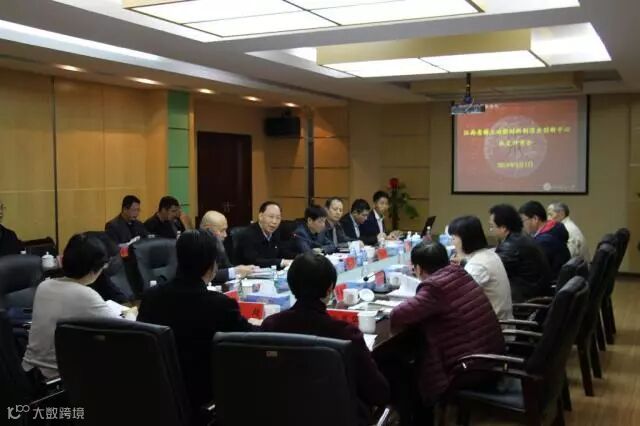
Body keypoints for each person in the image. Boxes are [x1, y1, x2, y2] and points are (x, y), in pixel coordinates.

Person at [262, 253, 390, 425]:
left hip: (285, 415)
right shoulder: (345, 333)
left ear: (291, 286)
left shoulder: (270, 325)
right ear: (330, 288)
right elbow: (378, 392)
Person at [138, 230, 252, 415]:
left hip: (159, 393)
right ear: (212, 266)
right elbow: (250, 342)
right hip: (205, 393)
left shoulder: (151, 297)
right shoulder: (220, 305)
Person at [389, 242, 504, 424]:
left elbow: (398, 315)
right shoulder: (459, 273)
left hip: (471, 367)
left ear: (418, 268)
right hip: (490, 355)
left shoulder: (435, 287)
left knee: (407, 370)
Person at [22, 233, 119, 379]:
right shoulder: (86, 295)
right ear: (95, 268)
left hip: (29, 372)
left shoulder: (44, 286)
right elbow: (122, 330)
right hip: (57, 378)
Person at [448, 215, 513, 321]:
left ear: (465, 240)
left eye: (453, 238)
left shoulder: (477, 265)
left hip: (494, 326)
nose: (452, 243)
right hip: (497, 319)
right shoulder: (489, 254)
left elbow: (458, 297)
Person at [489, 204, 552, 302]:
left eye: (492, 226)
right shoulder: (521, 238)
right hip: (536, 291)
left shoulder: (512, 245)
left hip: (525, 298)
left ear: (503, 228)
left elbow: (491, 270)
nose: (491, 230)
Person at [519, 201, 571, 278]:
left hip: (551, 282)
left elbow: (534, 272)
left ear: (535, 219)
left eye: (523, 221)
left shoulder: (543, 243)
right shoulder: (555, 229)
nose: (522, 225)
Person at [199, 210, 255, 282]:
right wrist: (234, 271)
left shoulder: (218, 245)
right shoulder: (195, 246)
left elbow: (227, 267)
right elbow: (203, 276)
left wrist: (243, 269)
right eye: (222, 230)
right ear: (208, 230)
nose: (225, 235)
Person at [235, 201, 294, 268]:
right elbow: (254, 261)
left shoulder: (276, 233)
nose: (274, 221)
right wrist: (281, 262)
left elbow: (282, 252)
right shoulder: (248, 235)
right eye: (271, 217)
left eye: (278, 218)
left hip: (270, 272)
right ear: (260, 216)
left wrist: (298, 258)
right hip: (249, 273)